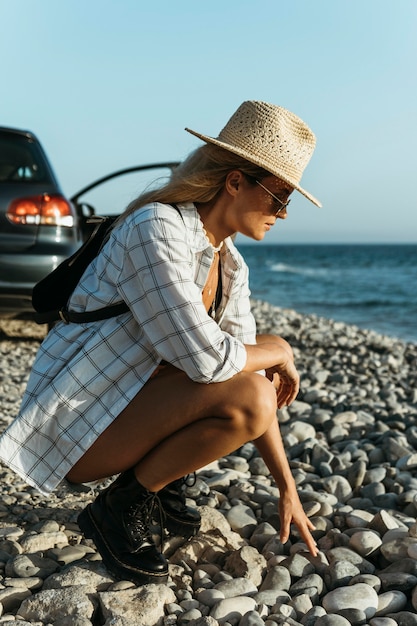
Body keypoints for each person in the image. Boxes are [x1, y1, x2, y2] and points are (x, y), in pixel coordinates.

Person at [0, 100, 322, 585]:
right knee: (243, 384)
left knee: (251, 391)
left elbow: (249, 378)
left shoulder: (230, 263)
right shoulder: (157, 228)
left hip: (128, 410)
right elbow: (208, 360)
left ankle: (157, 486)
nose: (282, 213)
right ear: (235, 181)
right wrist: (282, 348)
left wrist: (287, 486)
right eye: (279, 197)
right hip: (77, 424)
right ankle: (118, 508)